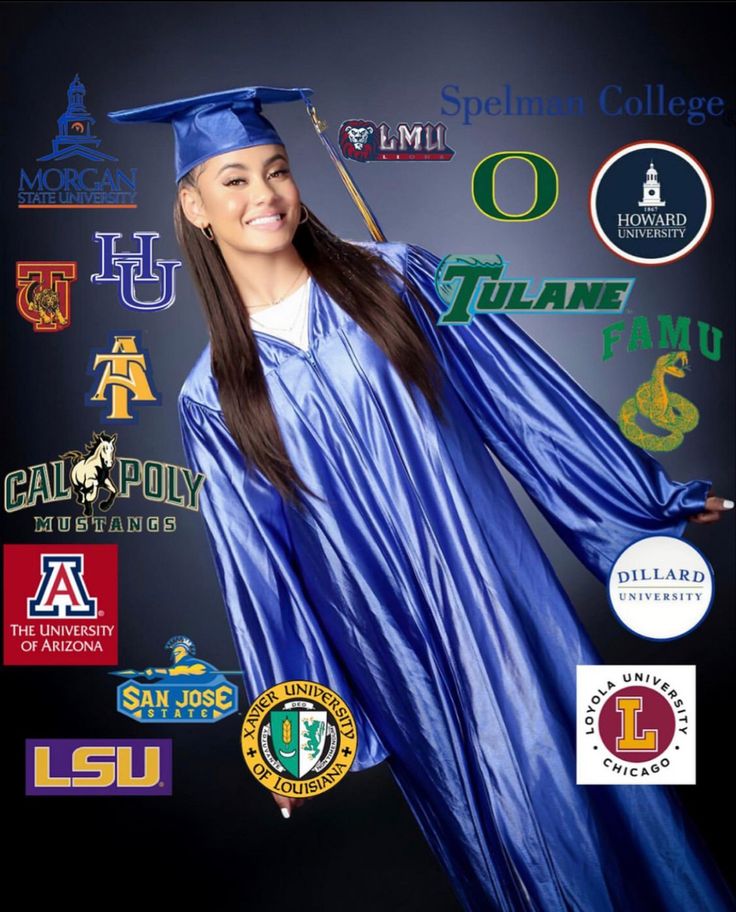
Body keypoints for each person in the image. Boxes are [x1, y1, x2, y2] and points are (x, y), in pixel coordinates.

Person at [109, 86, 734, 912]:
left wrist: (644, 500)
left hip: (500, 598)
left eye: (277, 170)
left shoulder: (399, 280)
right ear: (193, 204)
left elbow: (526, 403)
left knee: (595, 785)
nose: (264, 195)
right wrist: (294, 736)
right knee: (489, 837)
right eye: (234, 180)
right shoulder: (215, 394)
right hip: (391, 649)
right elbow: (260, 570)